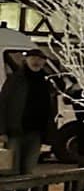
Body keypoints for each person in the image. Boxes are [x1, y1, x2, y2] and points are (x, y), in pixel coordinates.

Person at [1, 47, 57, 177]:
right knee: (10, 171)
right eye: (33, 58)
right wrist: (2, 131)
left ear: (44, 62)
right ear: (26, 60)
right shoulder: (15, 80)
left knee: (28, 171)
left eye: (40, 59)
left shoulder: (46, 81)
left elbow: (50, 108)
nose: (36, 61)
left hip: (36, 133)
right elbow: (3, 104)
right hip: (15, 132)